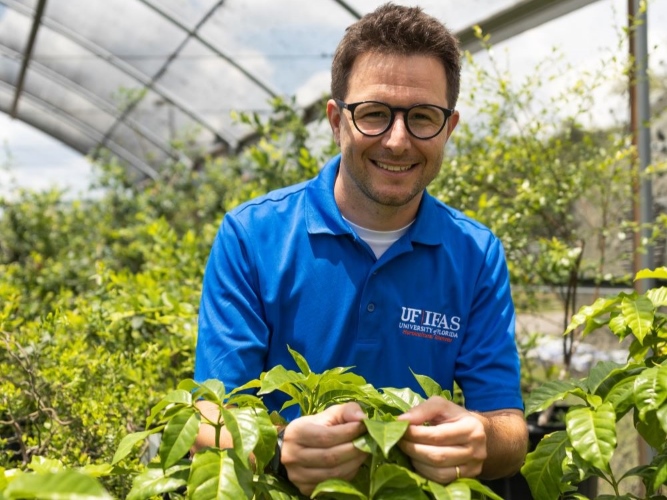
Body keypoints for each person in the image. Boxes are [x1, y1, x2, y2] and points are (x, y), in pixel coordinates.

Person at [193, 2, 528, 495]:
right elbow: (208, 418)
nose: (397, 141)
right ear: (336, 121)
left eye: (422, 117)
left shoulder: (474, 253)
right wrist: (281, 448)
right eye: (373, 114)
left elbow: (510, 428)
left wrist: (479, 438)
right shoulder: (253, 236)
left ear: (449, 128)